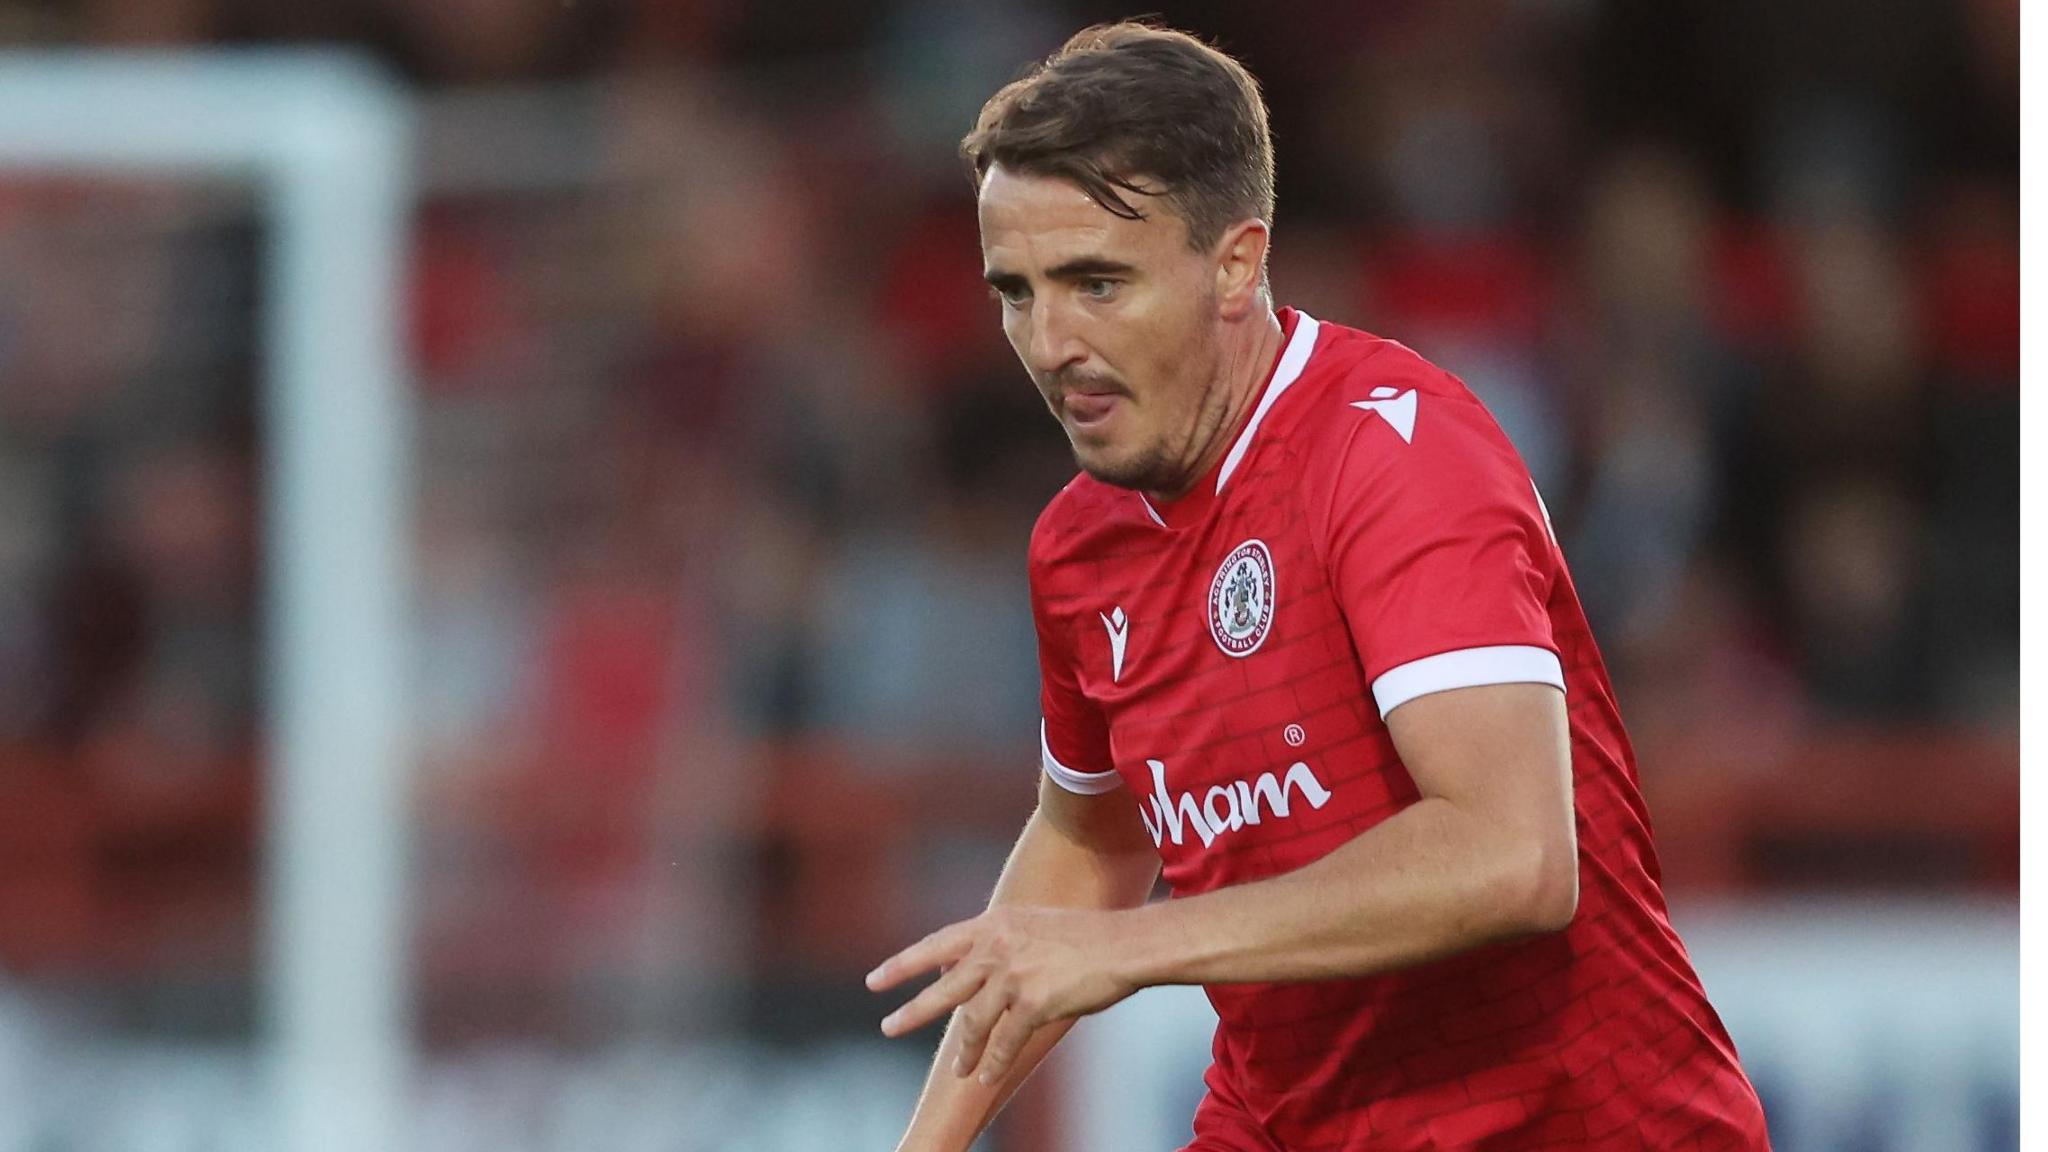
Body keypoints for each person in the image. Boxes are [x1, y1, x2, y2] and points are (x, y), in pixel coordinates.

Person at [867, 21, 1772, 1152]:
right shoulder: (1077, 545)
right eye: (1016, 291)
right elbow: (1090, 843)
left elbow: (1513, 857)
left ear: (1236, 262)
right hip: (1287, 1122)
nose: (1049, 341)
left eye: (1097, 282)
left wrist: (1132, 950)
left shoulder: (1393, 454)